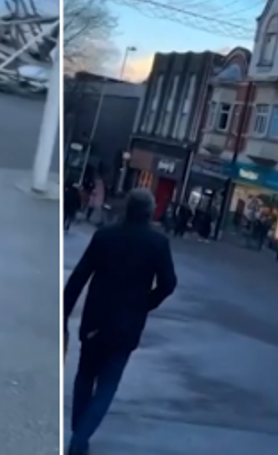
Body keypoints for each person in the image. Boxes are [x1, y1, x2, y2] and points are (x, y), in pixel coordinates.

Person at [63, 188, 177, 455]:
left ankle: (79, 435)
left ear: (127, 208)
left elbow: (79, 277)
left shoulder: (105, 236)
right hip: (127, 326)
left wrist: (64, 315)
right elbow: (168, 283)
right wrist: (146, 304)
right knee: (108, 384)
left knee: (85, 376)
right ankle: (80, 437)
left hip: (95, 321)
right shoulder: (157, 243)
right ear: (150, 213)